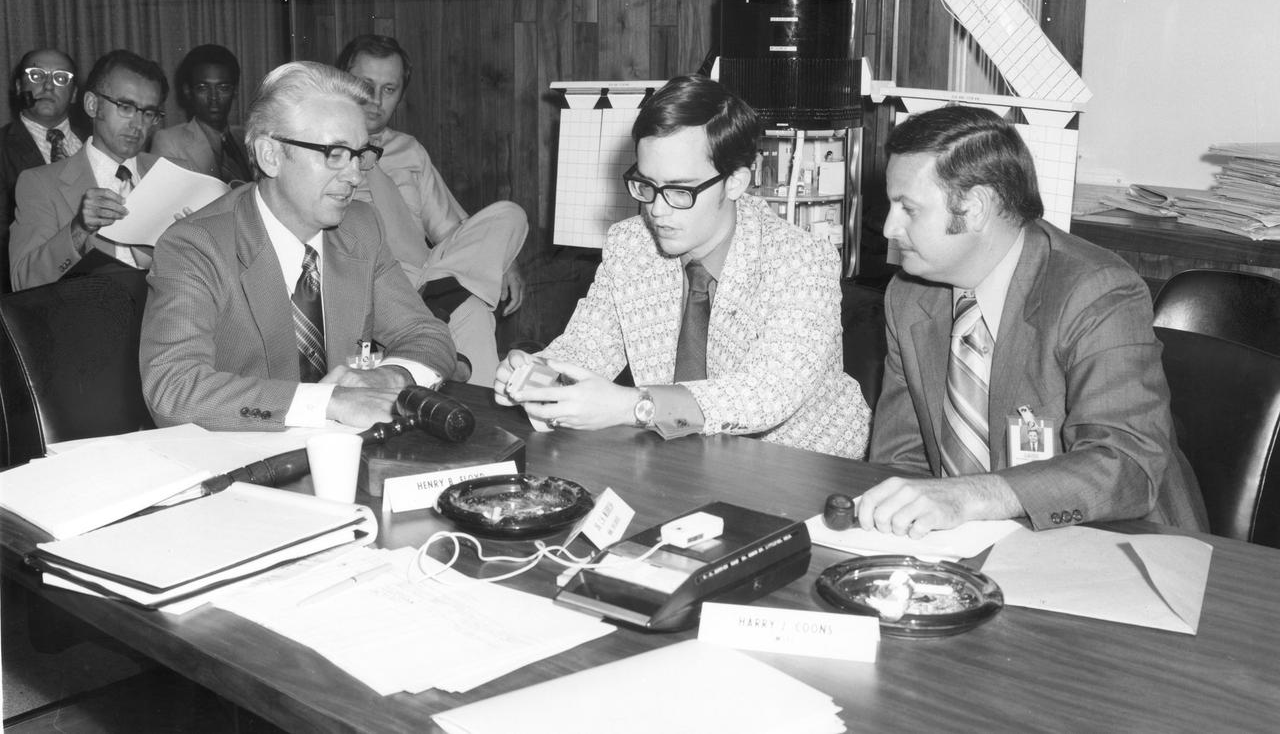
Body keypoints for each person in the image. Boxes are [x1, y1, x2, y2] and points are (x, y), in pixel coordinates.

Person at [860, 105, 1207, 535]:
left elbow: (1126, 466)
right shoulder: (909, 296)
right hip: (968, 541)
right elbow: (900, 458)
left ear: (976, 208)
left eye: (907, 208)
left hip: (1116, 539)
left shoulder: (1096, 290)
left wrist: (971, 496)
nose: (889, 227)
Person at [494, 74, 871, 458]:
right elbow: (588, 347)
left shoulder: (802, 259)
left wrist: (632, 406)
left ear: (736, 182)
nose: (656, 210)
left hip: (798, 465)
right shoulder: (631, 245)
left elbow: (768, 391)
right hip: (677, 453)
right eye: (646, 185)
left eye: (680, 191)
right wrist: (538, 374)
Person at [140, 61, 458, 432]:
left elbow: (429, 336)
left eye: (360, 154)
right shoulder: (195, 246)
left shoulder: (361, 227)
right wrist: (329, 402)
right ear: (270, 155)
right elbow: (172, 390)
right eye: (335, 154)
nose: (355, 175)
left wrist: (390, 377)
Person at [336, 35, 528, 385]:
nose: (376, 101)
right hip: (368, 282)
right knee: (471, 308)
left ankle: (432, 321)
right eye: (366, 86)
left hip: (427, 277)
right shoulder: (320, 150)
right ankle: (439, 329)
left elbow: (451, 231)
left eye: (389, 89)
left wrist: (504, 258)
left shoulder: (409, 150)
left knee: (511, 215)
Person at [10, 49, 170, 290]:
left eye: (148, 113)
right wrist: (79, 229)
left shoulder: (171, 175)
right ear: (92, 105)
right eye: (125, 107)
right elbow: (23, 281)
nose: (138, 124)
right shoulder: (39, 183)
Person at [1, 48, 91, 293]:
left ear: (74, 94)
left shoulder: (96, 145)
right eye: (37, 75)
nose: (48, 86)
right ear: (19, 86)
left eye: (61, 78)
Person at [152, 43, 253, 183]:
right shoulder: (169, 142)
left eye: (223, 88)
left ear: (235, 91)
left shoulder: (248, 138)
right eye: (203, 88)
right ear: (188, 91)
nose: (213, 98)